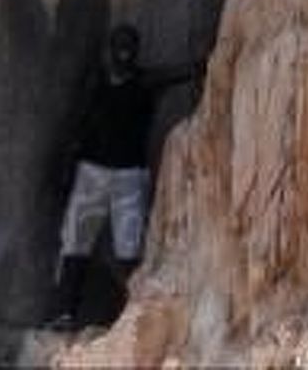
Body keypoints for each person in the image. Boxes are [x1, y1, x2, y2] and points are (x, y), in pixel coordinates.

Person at [47, 23, 202, 331]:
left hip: (129, 178)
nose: (123, 53)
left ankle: (132, 317)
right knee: (76, 244)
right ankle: (65, 313)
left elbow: (179, 73)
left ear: (136, 51)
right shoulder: (96, 84)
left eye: (128, 47)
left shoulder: (144, 82)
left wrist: (204, 63)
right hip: (92, 174)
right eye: (119, 47)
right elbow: (79, 127)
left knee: (128, 248)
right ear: (109, 50)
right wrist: (66, 167)